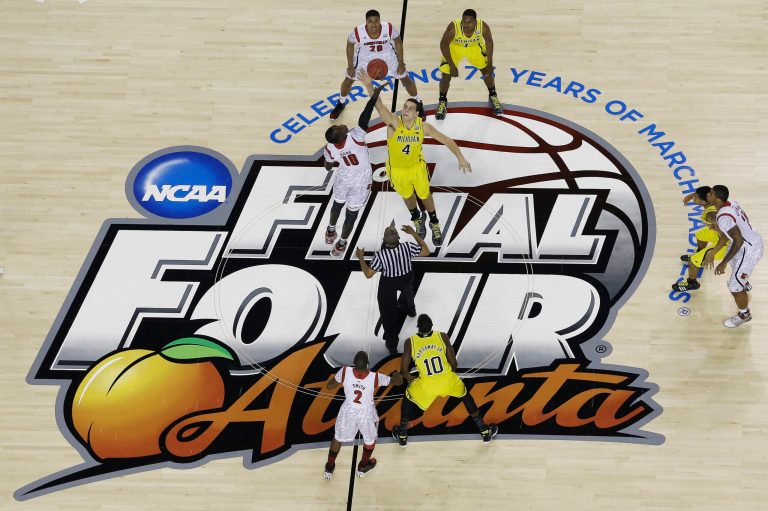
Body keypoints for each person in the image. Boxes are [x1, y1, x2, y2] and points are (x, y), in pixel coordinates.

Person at [359, 69, 471, 246]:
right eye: (405, 107)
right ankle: (417, 218)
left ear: (417, 113)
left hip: (416, 168)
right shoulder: (394, 123)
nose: (406, 110)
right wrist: (369, 86)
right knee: (408, 196)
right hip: (397, 170)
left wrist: (461, 158)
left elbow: (448, 141)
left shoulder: (423, 127)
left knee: (425, 195)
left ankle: (434, 222)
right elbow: (379, 105)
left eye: (411, 108)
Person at [392, 314, 498, 446]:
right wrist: (448, 374)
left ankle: (402, 436)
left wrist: (411, 379)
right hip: (447, 379)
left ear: (417, 328)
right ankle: (484, 431)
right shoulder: (442, 336)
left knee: (408, 397)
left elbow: (404, 370)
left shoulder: (410, 342)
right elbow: (454, 363)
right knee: (466, 396)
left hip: (427, 385)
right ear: (432, 326)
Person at [323, 84, 384, 256]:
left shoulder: (330, 148)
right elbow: (365, 116)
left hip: (343, 177)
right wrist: (373, 97)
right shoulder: (356, 137)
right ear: (341, 137)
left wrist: (334, 163)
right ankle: (341, 243)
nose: (342, 125)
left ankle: (330, 230)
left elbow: (328, 167)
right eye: (339, 128)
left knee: (337, 203)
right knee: (351, 214)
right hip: (361, 180)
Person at [323, 351, 403, 479]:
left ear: (353, 363)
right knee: (370, 439)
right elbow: (397, 382)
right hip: (366, 412)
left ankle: (329, 466)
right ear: (368, 364)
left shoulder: (344, 371)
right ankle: (362, 467)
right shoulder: (375, 377)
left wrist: (339, 379)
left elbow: (329, 386)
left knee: (338, 438)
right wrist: (397, 376)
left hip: (348, 409)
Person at [329, 10, 421, 120]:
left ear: (380, 21)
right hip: (364, 56)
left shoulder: (389, 28)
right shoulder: (358, 32)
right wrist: (350, 66)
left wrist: (401, 63)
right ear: (366, 22)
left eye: (376, 21)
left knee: (404, 77)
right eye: (370, 21)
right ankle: (341, 103)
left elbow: (397, 41)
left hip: (386, 55)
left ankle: (418, 102)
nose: (373, 24)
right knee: (349, 79)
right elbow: (350, 45)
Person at [356, 225, 429, 354]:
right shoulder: (407, 247)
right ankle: (411, 310)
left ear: (384, 240)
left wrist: (361, 257)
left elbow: (368, 274)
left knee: (388, 315)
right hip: (406, 277)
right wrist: (413, 233)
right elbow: (426, 251)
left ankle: (392, 345)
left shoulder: (381, 255)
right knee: (408, 292)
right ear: (399, 237)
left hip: (389, 282)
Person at [703, 185, 763, 327]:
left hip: (748, 249)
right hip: (750, 239)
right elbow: (728, 234)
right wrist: (713, 252)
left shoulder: (724, 217)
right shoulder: (730, 203)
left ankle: (744, 315)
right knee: (734, 267)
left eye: (710, 194)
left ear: (717, 199)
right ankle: (744, 282)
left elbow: (738, 240)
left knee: (734, 286)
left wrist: (723, 262)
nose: (708, 195)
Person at [435, 9, 503, 120]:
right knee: (446, 75)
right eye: (464, 21)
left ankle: (493, 95)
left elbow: (489, 41)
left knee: (487, 72)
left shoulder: (483, 26)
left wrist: (490, 63)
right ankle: (442, 102)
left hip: (474, 47)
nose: (465, 24)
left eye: (469, 22)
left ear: (475, 22)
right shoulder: (453, 27)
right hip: (455, 48)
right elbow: (443, 44)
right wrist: (452, 66)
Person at [672, 186, 729, 292]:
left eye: (696, 197)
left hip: (725, 243)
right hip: (719, 235)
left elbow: (722, 231)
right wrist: (693, 194)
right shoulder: (712, 201)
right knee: (700, 234)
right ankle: (700, 254)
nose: (694, 199)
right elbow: (706, 191)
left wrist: (716, 226)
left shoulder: (710, 214)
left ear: (703, 201)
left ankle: (692, 283)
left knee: (693, 261)